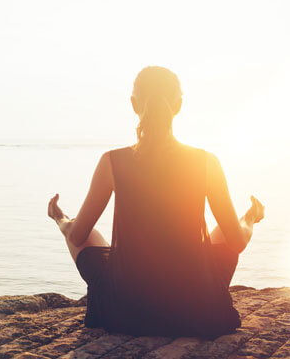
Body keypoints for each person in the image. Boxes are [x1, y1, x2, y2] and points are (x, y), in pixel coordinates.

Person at [46, 66, 264, 338]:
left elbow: (79, 237)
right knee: (223, 232)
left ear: (134, 105)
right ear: (179, 105)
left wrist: (61, 220)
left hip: (128, 309)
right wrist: (250, 219)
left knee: (81, 227)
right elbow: (238, 242)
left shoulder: (112, 162)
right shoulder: (207, 162)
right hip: (196, 306)